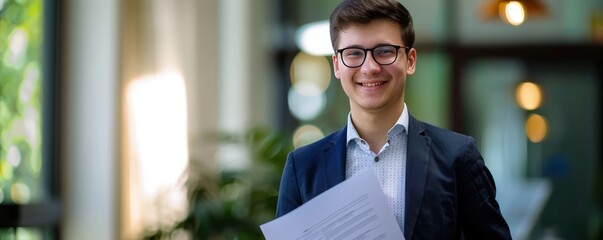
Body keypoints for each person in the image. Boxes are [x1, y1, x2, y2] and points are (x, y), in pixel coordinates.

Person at [275, 0, 512, 239]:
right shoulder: (303, 166)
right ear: (337, 66)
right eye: (354, 53)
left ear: (410, 60)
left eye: (384, 52)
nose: (370, 68)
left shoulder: (457, 156)